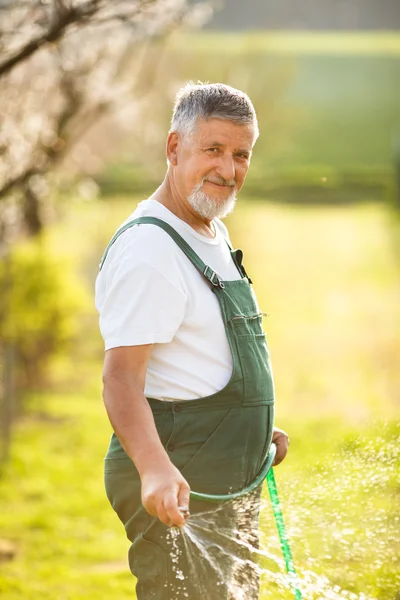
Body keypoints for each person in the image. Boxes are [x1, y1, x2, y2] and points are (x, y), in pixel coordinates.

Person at [95, 82, 289, 600]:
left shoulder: (209, 231)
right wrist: (154, 468)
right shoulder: (150, 249)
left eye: (241, 154)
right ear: (173, 147)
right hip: (180, 477)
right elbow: (121, 378)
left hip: (223, 467)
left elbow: (197, 355)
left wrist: (253, 428)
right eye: (213, 150)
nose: (229, 170)